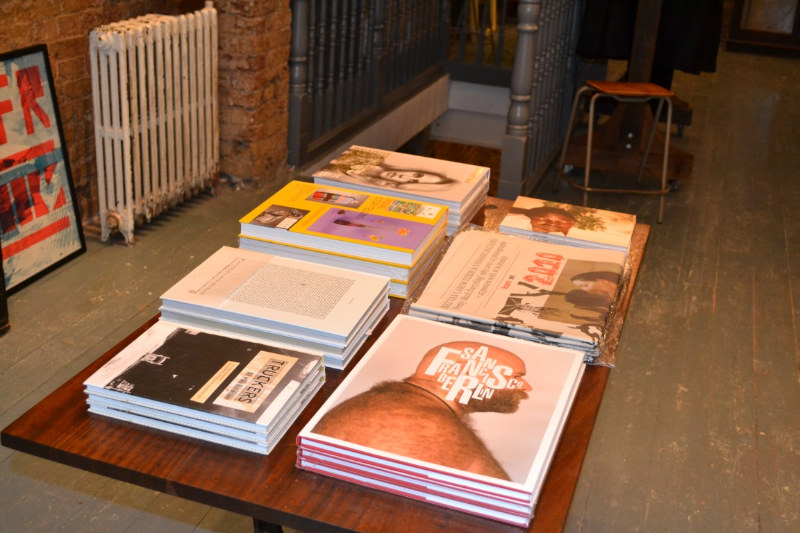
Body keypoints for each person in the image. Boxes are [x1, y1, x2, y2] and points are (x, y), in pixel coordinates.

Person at [311, 340, 532, 480]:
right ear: (465, 371)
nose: (526, 387)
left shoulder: (400, 406)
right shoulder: (422, 424)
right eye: (515, 377)